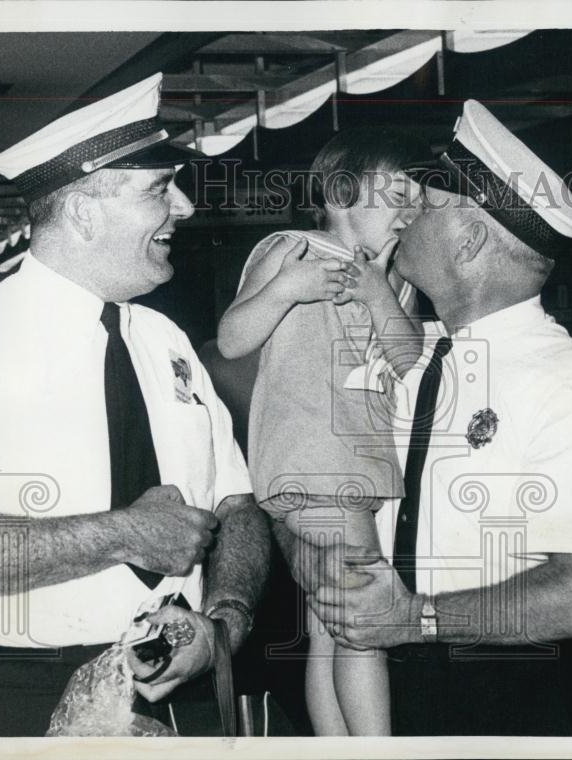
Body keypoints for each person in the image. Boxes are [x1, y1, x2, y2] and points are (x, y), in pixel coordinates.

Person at [0, 73, 271, 736]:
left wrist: (224, 623)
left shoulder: (162, 338)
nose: (185, 208)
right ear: (86, 213)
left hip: (180, 695)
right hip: (17, 698)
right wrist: (124, 533)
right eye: (158, 190)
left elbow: (236, 504)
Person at [304, 100, 572, 736]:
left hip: (500, 696)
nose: (403, 214)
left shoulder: (566, 384)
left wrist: (414, 619)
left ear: (470, 239)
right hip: (380, 687)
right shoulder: (410, 352)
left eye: (424, 205)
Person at [216, 128, 428, 735]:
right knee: (365, 614)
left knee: (331, 622)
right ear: (339, 194)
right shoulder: (294, 250)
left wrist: (381, 289)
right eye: (395, 196)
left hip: (356, 464)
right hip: (313, 457)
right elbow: (232, 339)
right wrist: (286, 290)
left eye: (415, 202)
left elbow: (408, 360)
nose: (408, 212)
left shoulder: (397, 282)